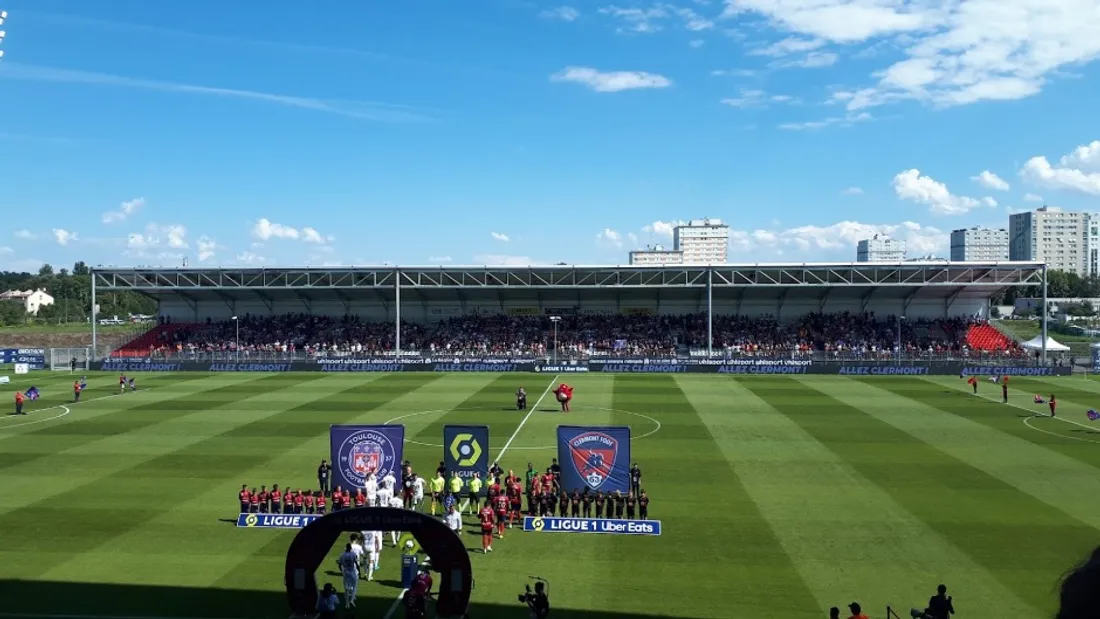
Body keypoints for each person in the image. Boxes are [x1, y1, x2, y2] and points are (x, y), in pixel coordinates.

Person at [337, 543, 359, 608]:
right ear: (351, 548)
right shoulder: (353, 554)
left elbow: (339, 565)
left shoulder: (342, 555)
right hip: (352, 571)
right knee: (354, 586)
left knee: (346, 589)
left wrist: (342, 571)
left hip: (345, 572)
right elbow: (356, 564)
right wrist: (359, 572)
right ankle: (352, 600)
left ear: (346, 547)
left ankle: (347, 604)